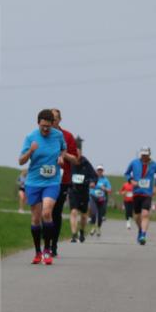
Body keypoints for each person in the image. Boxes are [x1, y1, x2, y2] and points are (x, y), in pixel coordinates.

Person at [20, 110, 76, 265]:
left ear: (53, 124)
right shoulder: (30, 137)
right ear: (38, 123)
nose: (45, 129)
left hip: (52, 181)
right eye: (42, 126)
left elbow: (63, 148)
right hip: (33, 182)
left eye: (48, 126)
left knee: (47, 212)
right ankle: (37, 252)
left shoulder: (58, 136)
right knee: (36, 218)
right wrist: (31, 151)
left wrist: (61, 156)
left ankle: (47, 250)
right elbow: (21, 161)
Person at [48, 109, 79, 256]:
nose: (52, 121)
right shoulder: (42, 134)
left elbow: (75, 159)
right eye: (49, 118)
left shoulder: (67, 136)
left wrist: (62, 152)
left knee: (56, 212)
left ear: (60, 120)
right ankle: (45, 243)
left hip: (62, 179)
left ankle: (53, 245)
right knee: (44, 212)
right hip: (44, 179)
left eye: (54, 118)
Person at [124, 146, 156, 245]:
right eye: (142, 154)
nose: (144, 156)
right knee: (137, 216)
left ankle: (143, 235)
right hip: (137, 193)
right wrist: (131, 181)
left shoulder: (155, 165)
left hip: (147, 193)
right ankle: (140, 230)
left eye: (146, 155)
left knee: (145, 214)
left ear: (149, 154)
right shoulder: (134, 163)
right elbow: (126, 173)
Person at [67, 154, 99, 243]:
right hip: (73, 191)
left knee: (84, 215)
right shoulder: (69, 163)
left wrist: (93, 182)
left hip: (84, 191)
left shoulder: (86, 163)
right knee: (73, 212)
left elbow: (94, 176)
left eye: (78, 152)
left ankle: (81, 231)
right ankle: (74, 235)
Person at [88, 164, 112, 237]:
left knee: (100, 216)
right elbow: (88, 185)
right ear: (96, 171)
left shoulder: (105, 180)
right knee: (93, 212)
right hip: (93, 197)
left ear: (103, 171)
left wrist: (104, 188)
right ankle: (93, 227)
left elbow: (109, 190)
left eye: (101, 170)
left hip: (102, 199)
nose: (99, 171)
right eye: (98, 170)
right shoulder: (92, 178)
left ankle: (98, 228)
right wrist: (92, 185)